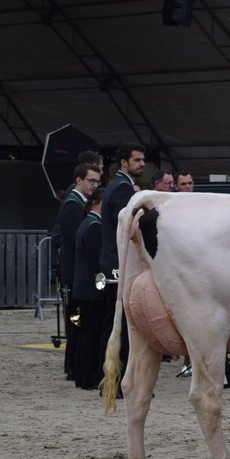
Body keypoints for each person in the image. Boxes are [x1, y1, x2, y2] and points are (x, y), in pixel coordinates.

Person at [98, 144, 147, 382]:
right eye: (137, 160)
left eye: (142, 160)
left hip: (111, 262)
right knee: (122, 326)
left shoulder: (116, 185)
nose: (142, 164)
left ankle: (111, 378)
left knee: (113, 322)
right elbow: (126, 228)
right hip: (118, 264)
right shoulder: (122, 188)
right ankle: (118, 379)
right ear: (123, 162)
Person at [55, 161, 101, 379]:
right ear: (79, 180)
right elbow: (74, 238)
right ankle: (73, 364)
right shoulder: (72, 204)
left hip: (76, 275)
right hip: (75, 276)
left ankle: (74, 363)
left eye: (97, 181)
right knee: (76, 321)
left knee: (78, 321)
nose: (94, 185)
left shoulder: (78, 202)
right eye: (91, 181)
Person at [71, 188, 106, 390]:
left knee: (85, 333)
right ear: (97, 203)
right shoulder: (94, 226)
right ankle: (88, 377)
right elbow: (96, 263)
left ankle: (83, 376)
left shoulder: (87, 224)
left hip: (83, 290)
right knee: (91, 335)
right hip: (91, 292)